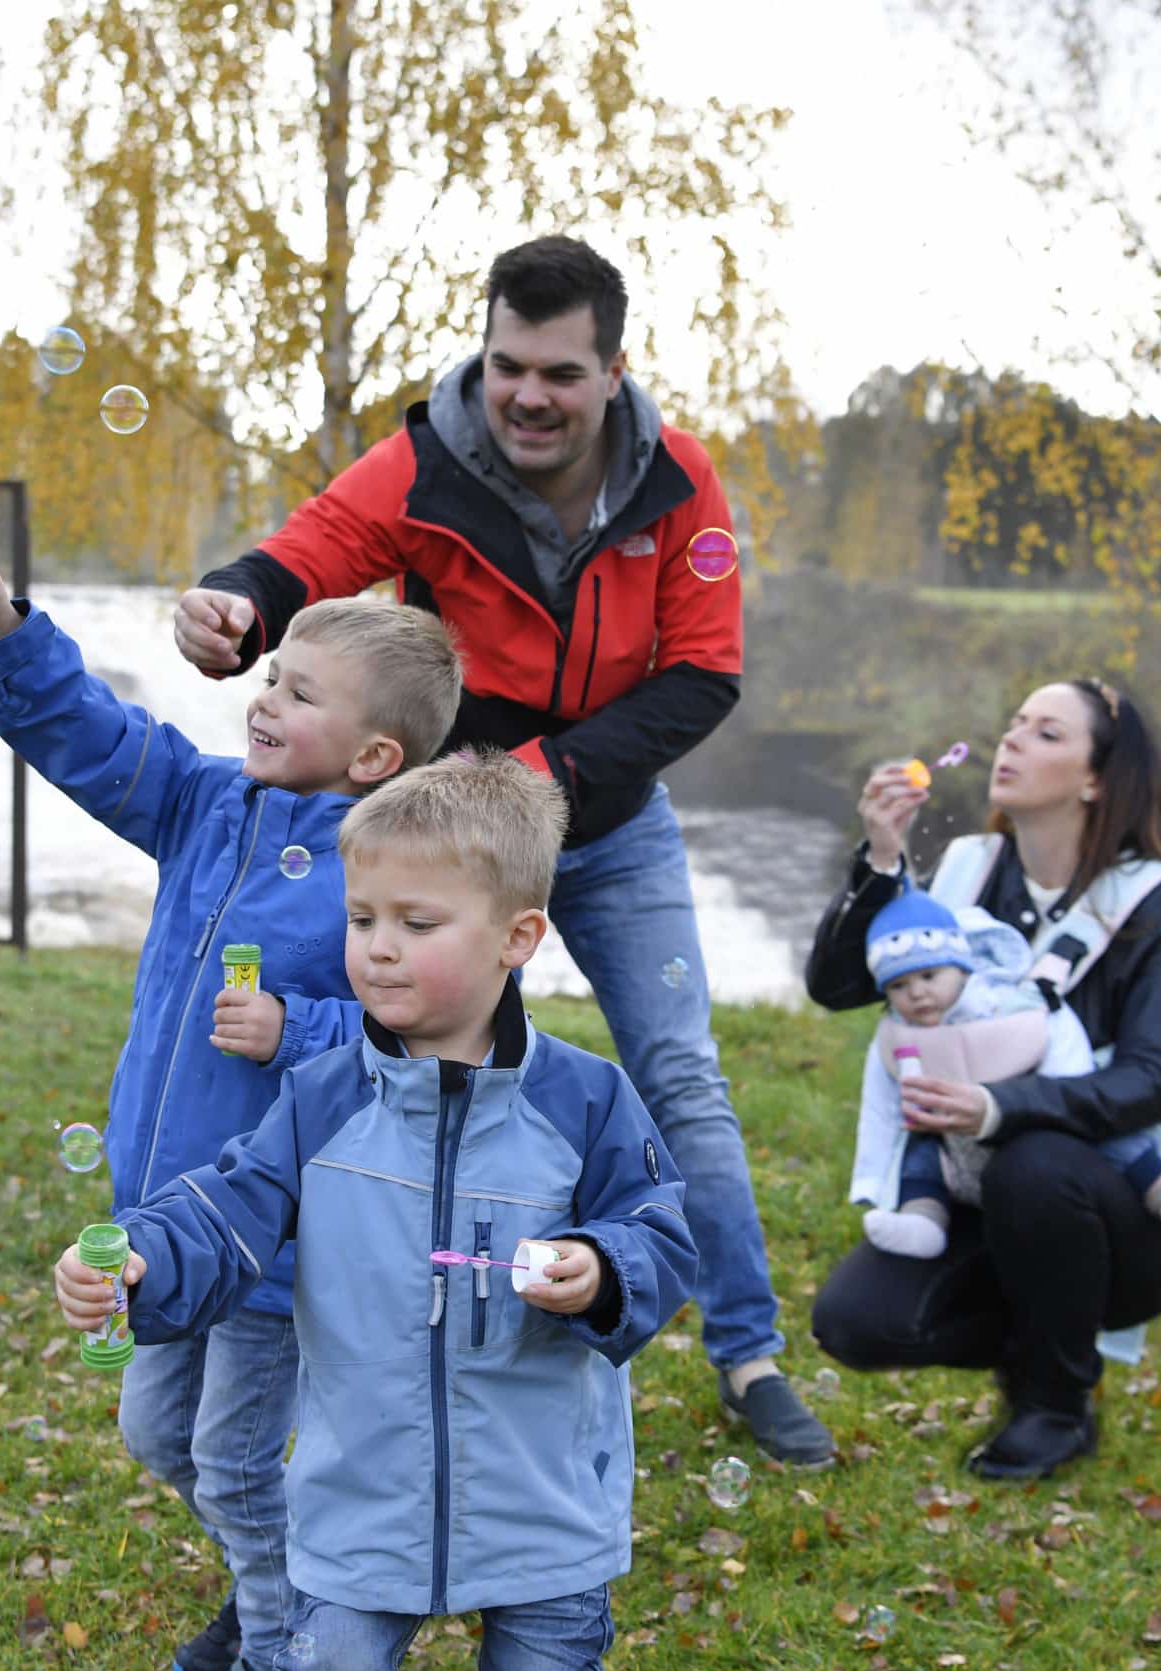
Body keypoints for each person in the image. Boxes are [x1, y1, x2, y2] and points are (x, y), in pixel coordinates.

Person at [166, 234, 833, 1468]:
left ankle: (747, 1351)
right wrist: (237, 603)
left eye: (561, 374)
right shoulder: (427, 457)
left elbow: (704, 679)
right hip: (455, 845)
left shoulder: (680, 483)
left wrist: (542, 778)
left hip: (612, 823)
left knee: (679, 1079)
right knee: (411, 1078)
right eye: (507, 364)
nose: (528, 395)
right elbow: (310, 548)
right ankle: (410, 1333)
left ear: (613, 372)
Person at [52, 754, 696, 1671]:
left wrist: (600, 1266)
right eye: (362, 921)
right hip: (362, 1489)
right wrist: (141, 1261)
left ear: (517, 938)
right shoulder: (320, 1096)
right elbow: (224, 1209)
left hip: (538, 1491)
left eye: (416, 924)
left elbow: (661, 1227)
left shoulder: (585, 1099)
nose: (378, 950)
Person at [0, 527, 463, 1671]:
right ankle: (269, 1573)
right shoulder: (206, 806)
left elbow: (425, 1035)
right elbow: (88, 733)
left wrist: (298, 1026)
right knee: (160, 1438)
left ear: (376, 755)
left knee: (230, 1460)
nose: (265, 700)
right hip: (170, 1217)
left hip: (280, 1235)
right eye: (270, 680)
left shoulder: (383, 870)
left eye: (299, 693)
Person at [805, 679, 1161, 1481]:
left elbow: (1152, 1081)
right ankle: (1041, 1325)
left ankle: (1056, 1404)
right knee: (855, 1323)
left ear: (1098, 777)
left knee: (1035, 1160)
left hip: (1120, 1212)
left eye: (1047, 733)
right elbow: (838, 987)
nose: (1014, 741)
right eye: (1015, 723)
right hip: (972, 1194)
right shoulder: (964, 873)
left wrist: (999, 1106)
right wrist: (884, 860)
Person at [851, 889, 1161, 1260]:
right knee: (917, 1151)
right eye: (899, 985)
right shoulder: (896, 1037)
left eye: (929, 976)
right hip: (952, 1141)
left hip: (1037, 1127)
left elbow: (1061, 1039)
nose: (917, 994)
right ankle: (924, 1220)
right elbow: (879, 1109)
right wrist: (870, 1178)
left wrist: (1059, 1095)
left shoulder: (1008, 1003)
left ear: (960, 966)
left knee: (1116, 1139)